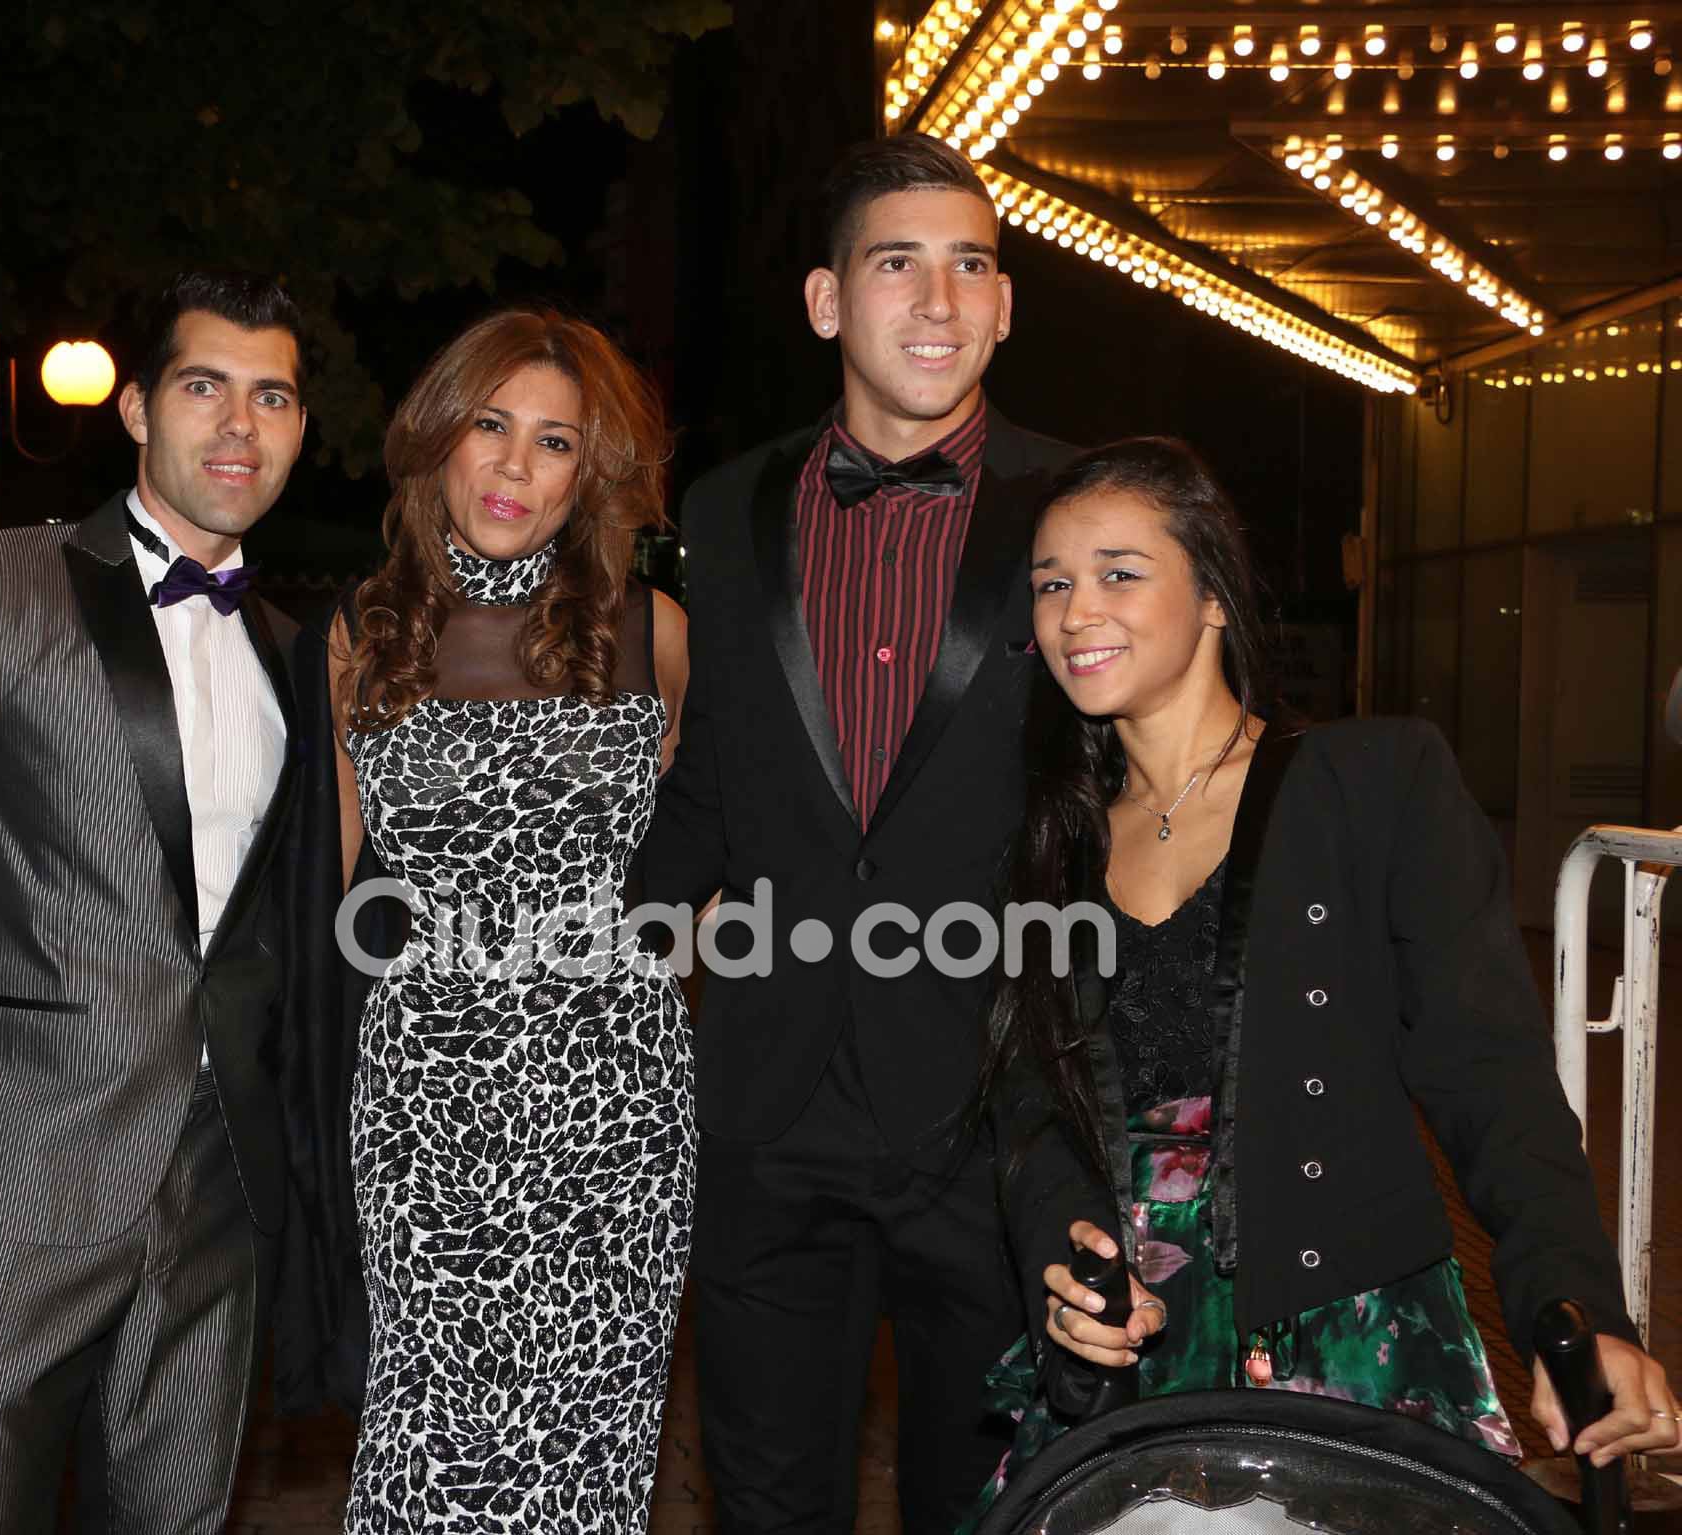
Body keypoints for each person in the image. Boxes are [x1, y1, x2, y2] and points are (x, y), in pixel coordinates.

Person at [967, 436, 1679, 1521]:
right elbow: (1031, 1105)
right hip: (1134, 1356)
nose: (1073, 611)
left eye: (1118, 572)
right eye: (1052, 583)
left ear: (1211, 596)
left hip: (1341, 1343)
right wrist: (1065, 1261)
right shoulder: (1044, 844)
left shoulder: (1372, 783)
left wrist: (1573, 1304)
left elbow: (1488, 1076)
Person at [0, 271, 308, 1533]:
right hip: (6, 1179)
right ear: (135, 406)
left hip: (218, 1189)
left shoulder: (297, 653)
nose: (239, 425)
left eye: (273, 397)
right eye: (204, 387)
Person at [641, 133, 1077, 1533]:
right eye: (899, 264)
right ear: (829, 301)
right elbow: (716, 777)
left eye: (972, 266)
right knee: (767, 1503)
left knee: (989, 1507)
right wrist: (594, 957)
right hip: (770, 1107)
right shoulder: (725, 508)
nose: (939, 301)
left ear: (1008, 304)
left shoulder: (1087, 506)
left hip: (997, 1111)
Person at [315, 307, 692, 1531]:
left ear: (592, 472)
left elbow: (699, 867)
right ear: (440, 437)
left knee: (594, 1442)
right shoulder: (359, 635)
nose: (513, 468)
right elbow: (334, 889)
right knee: (429, 1430)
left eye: (553, 442)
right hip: (426, 1092)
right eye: (490, 426)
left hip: (615, 1098)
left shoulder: (652, 632)